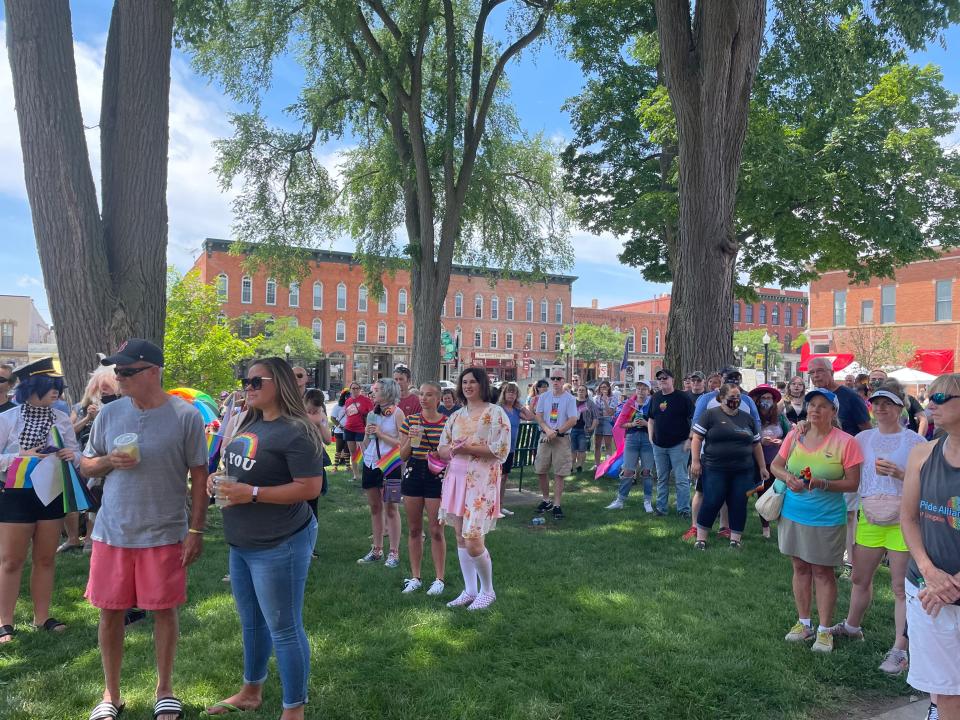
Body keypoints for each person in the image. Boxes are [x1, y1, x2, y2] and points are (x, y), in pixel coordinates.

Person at [80, 339, 208, 720]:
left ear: (153, 371)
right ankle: (111, 694)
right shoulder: (109, 414)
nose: (117, 378)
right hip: (112, 531)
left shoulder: (185, 416)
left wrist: (196, 530)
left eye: (126, 372)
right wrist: (106, 461)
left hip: (165, 531)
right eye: (116, 371)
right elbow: (86, 465)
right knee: (110, 612)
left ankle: (164, 689)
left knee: (165, 611)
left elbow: (200, 477)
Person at [204, 358, 324, 719]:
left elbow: (310, 487)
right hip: (242, 541)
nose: (248, 386)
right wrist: (217, 481)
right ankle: (251, 691)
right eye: (245, 380)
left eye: (257, 381)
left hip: (280, 541)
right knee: (252, 621)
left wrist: (251, 493)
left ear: (281, 383)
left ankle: (294, 710)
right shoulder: (250, 422)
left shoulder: (296, 430)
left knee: (284, 627)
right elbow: (237, 469)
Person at [828, 381, 925, 675]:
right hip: (870, 516)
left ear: (900, 408)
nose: (880, 408)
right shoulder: (862, 438)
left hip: (902, 520)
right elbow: (839, 455)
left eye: (887, 403)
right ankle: (852, 626)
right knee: (859, 577)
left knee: (900, 587)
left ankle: (900, 648)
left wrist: (900, 473)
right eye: (876, 403)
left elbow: (926, 482)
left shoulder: (914, 442)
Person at [769, 388, 863, 654]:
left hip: (826, 519)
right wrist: (788, 478)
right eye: (811, 405)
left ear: (833, 412)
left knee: (822, 572)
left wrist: (824, 483)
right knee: (799, 568)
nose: (815, 410)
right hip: (792, 513)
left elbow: (853, 482)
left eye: (823, 406)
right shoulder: (795, 435)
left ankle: (824, 630)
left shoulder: (846, 442)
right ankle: (804, 623)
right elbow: (776, 465)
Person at [0, 357, 79, 644]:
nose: (56, 392)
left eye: (58, 386)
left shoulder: (60, 418)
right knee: (11, 560)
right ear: (31, 387)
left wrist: (73, 456)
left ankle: (42, 617)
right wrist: (23, 457)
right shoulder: (8, 418)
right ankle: (4, 622)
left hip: (51, 492)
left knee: (45, 558)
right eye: (50, 386)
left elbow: (76, 452)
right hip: (17, 493)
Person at [900, 374, 960, 720]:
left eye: (940, 397)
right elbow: (908, 518)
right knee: (947, 692)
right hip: (926, 591)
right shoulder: (922, 454)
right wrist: (928, 572)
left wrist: (949, 584)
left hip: (942, 591)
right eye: (929, 396)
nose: (930, 404)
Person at [437, 368, 511, 610]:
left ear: (482, 385)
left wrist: (467, 449)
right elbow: (443, 448)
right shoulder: (456, 416)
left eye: (473, 382)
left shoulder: (495, 413)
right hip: (456, 480)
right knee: (460, 536)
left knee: (473, 539)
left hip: (480, 483)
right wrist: (450, 450)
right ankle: (470, 590)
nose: (468, 386)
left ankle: (487, 590)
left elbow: (500, 450)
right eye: (464, 382)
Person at [808, 357, 872, 569]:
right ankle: (820, 553)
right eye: (811, 373)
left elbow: (866, 429)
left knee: (848, 512)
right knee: (821, 507)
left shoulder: (850, 397)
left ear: (831, 371)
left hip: (846, 463)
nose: (815, 376)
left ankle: (848, 559)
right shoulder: (814, 399)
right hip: (819, 463)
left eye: (819, 371)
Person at [690, 382, 769, 549]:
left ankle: (735, 540)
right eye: (731, 398)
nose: (735, 401)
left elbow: (756, 444)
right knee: (712, 500)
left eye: (738, 397)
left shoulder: (746, 418)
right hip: (714, 467)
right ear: (721, 398)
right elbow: (696, 438)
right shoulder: (710, 415)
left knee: (739, 502)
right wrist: (696, 461)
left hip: (743, 469)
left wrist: (762, 467)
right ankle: (701, 538)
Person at [397, 381, 448, 596]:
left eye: (429, 395)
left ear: (438, 398)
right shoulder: (411, 421)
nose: (424, 398)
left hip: (436, 473)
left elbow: (449, 452)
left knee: (436, 529)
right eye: (422, 395)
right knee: (415, 528)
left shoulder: (447, 422)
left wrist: (438, 452)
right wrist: (411, 439)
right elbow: (402, 455)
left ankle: (439, 578)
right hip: (414, 471)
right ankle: (416, 576)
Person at [357, 379, 405, 567]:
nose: (372, 392)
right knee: (375, 508)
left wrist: (380, 434)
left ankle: (394, 552)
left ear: (387, 392)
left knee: (391, 508)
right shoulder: (371, 414)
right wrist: (366, 437)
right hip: (371, 463)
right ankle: (376, 549)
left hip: (390, 465)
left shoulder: (397, 414)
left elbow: (402, 443)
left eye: (376, 390)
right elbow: (367, 441)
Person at [647, 369, 695, 518]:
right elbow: (651, 419)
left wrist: (690, 439)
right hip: (659, 445)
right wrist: (651, 437)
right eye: (659, 378)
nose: (662, 380)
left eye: (665, 378)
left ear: (672, 380)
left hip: (679, 444)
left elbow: (694, 419)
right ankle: (661, 509)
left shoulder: (683, 397)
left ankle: (684, 510)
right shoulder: (655, 397)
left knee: (681, 479)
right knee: (661, 478)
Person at [534, 367, 579, 520]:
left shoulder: (570, 399)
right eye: (552, 378)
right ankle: (546, 500)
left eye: (558, 379)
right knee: (541, 469)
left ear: (563, 381)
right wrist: (547, 430)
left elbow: (573, 419)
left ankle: (557, 504)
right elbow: (539, 416)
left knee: (559, 472)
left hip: (562, 438)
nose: (555, 381)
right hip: (545, 437)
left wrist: (557, 432)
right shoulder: (544, 397)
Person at [605, 380, 655, 512]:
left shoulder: (653, 404)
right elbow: (620, 423)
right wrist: (632, 424)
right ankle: (620, 500)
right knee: (627, 470)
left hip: (647, 440)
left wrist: (645, 423)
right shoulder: (629, 404)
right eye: (638, 388)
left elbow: (659, 423)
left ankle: (647, 501)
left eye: (644, 388)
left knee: (647, 471)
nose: (640, 391)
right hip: (631, 439)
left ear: (648, 390)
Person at [750, 384, 791, 539]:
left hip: (778, 462)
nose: (767, 401)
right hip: (759, 462)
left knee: (779, 492)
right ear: (758, 400)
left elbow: (789, 436)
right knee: (762, 493)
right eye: (763, 398)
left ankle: (781, 524)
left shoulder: (779, 417)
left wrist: (781, 442)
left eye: (769, 398)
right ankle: (765, 527)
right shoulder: (753, 418)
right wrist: (761, 442)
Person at [497, 382, 535, 517]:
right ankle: (494, 507)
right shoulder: (498, 408)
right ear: (504, 393)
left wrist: (522, 407)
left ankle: (500, 506)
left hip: (511, 448)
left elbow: (530, 417)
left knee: (504, 477)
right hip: (498, 449)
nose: (511, 395)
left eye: (514, 393)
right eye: (509, 392)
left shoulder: (517, 410)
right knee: (498, 478)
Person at [869, 369, 929, 436]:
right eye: (873, 379)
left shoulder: (908, 398)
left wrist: (919, 438)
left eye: (881, 379)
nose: (877, 382)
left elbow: (923, 418)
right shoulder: (867, 401)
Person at [303, 389, 332, 518]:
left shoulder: (322, 417)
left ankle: (312, 523)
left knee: (313, 497)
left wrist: (320, 424)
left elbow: (328, 440)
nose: (312, 413)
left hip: (315, 457)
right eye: (309, 410)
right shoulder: (298, 414)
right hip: (300, 457)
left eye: (316, 411)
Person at [342, 381, 374, 482]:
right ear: (350, 390)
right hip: (349, 428)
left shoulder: (366, 400)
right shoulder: (348, 401)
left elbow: (371, 414)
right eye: (353, 388)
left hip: (361, 429)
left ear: (360, 389)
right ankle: (356, 475)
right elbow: (348, 414)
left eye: (357, 388)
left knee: (365, 452)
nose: (355, 390)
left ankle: (368, 474)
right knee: (353, 452)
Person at [571, 386, 597, 474]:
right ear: (577, 391)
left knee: (582, 449)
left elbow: (595, 417)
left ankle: (579, 466)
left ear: (586, 392)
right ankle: (571, 466)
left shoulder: (590, 403)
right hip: (572, 428)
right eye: (579, 390)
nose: (581, 391)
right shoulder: (572, 402)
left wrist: (592, 427)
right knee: (572, 449)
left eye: (583, 390)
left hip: (585, 430)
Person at [592, 381, 617, 468]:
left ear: (608, 388)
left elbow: (610, 412)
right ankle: (597, 465)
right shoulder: (596, 398)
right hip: (598, 421)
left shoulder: (613, 398)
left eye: (605, 387)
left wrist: (605, 401)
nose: (603, 389)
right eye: (601, 387)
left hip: (608, 421)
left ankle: (607, 465)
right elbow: (595, 412)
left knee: (608, 444)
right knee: (597, 444)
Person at [329, 389, 350, 470]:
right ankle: (335, 467)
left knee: (347, 450)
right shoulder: (337, 406)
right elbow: (332, 418)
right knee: (338, 449)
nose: (348, 398)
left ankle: (348, 467)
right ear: (343, 397)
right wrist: (340, 427)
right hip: (339, 431)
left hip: (349, 430)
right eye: (347, 396)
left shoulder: (352, 406)